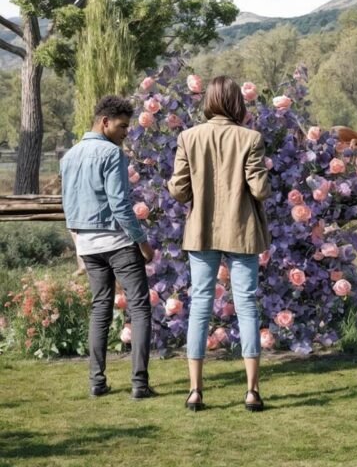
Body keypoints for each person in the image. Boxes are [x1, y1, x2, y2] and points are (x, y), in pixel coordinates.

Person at [169, 76, 271, 412]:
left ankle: (195, 391)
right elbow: (260, 190)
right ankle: (252, 391)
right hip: (242, 230)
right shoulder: (251, 138)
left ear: (209, 100)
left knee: (199, 306)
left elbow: (179, 191)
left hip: (201, 230)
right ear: (236, 102)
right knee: (246, 306)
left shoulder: (188, 137)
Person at [60, 95, 157, 399]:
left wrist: (79, 246)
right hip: (118, 242)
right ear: (105, 122)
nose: (126, 131)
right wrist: (142, 243)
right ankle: (139, 384)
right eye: (122, 126)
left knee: (100, 308)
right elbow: (120, 205)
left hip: (88, 245)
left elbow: (69, 207)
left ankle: (96, 382)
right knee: (140, 307)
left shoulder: (69, 157)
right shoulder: (112, 154)